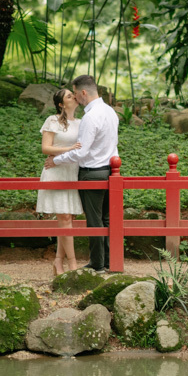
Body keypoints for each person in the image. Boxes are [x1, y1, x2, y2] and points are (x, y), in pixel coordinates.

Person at [45, 74, 119, 274]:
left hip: (92, 172)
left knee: (95, 221)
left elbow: (82, 152)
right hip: (109, 171)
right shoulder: (110, 112)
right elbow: (114, 146)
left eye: (76, 93)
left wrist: (56, 160)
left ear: (84, 92)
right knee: (106, 219)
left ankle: (97, 264)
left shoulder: (90, 117)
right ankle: (109, 261)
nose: (76, 98)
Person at [37, 87, 83, 276]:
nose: (74, 97)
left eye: (73, 95)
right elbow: (45, 148)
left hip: (73, 171)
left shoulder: (81, 123)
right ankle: (72, 264)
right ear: (61, 104)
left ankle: (58, 262)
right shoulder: (53, 121)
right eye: (69, 96)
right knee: (64, 218)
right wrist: (69, 149)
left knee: (68, 219)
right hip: (56, 171)